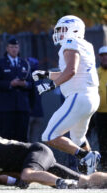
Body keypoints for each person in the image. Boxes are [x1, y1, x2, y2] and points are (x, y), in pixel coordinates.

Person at [32, 15, 100, 175]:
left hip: (79, 97)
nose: (59, 33)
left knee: (49, 135)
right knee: (78, 139)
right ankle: (92, 173)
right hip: (90, 97)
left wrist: (52, 85)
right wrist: (47, 75)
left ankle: (86, 156)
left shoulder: (71, 43)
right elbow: (72, 72)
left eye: (62, 29)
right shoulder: (86, 45)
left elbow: (71, 71)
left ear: (74, 30)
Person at [0, 130, 107, 190]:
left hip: (37, 152)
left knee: (27, 174)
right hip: (34, 159)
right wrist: (16, 182)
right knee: (83, 181)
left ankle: (63, 184)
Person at [0, 37, 33, 142]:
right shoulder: (0, 63)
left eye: (16, 47)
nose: (14, 49)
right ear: (7, 48)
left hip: (22, 106)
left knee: (22, 135)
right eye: (12, 47)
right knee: (6, 135)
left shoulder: (25, 63)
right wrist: (10, 84)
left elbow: (31, 84)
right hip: (6, 106)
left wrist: (24, 84)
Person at [27, 57, 44, 143]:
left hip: (28, 113)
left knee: (25, 140)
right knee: (35, 140)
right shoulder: (40, 78)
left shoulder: (27, 77)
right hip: (39, 113)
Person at [96, 46, 107, 170]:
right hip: (99, 113)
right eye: (103, 55)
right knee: (102, 141)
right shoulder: (96, 72)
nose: (105, 58)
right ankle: (104, 166)